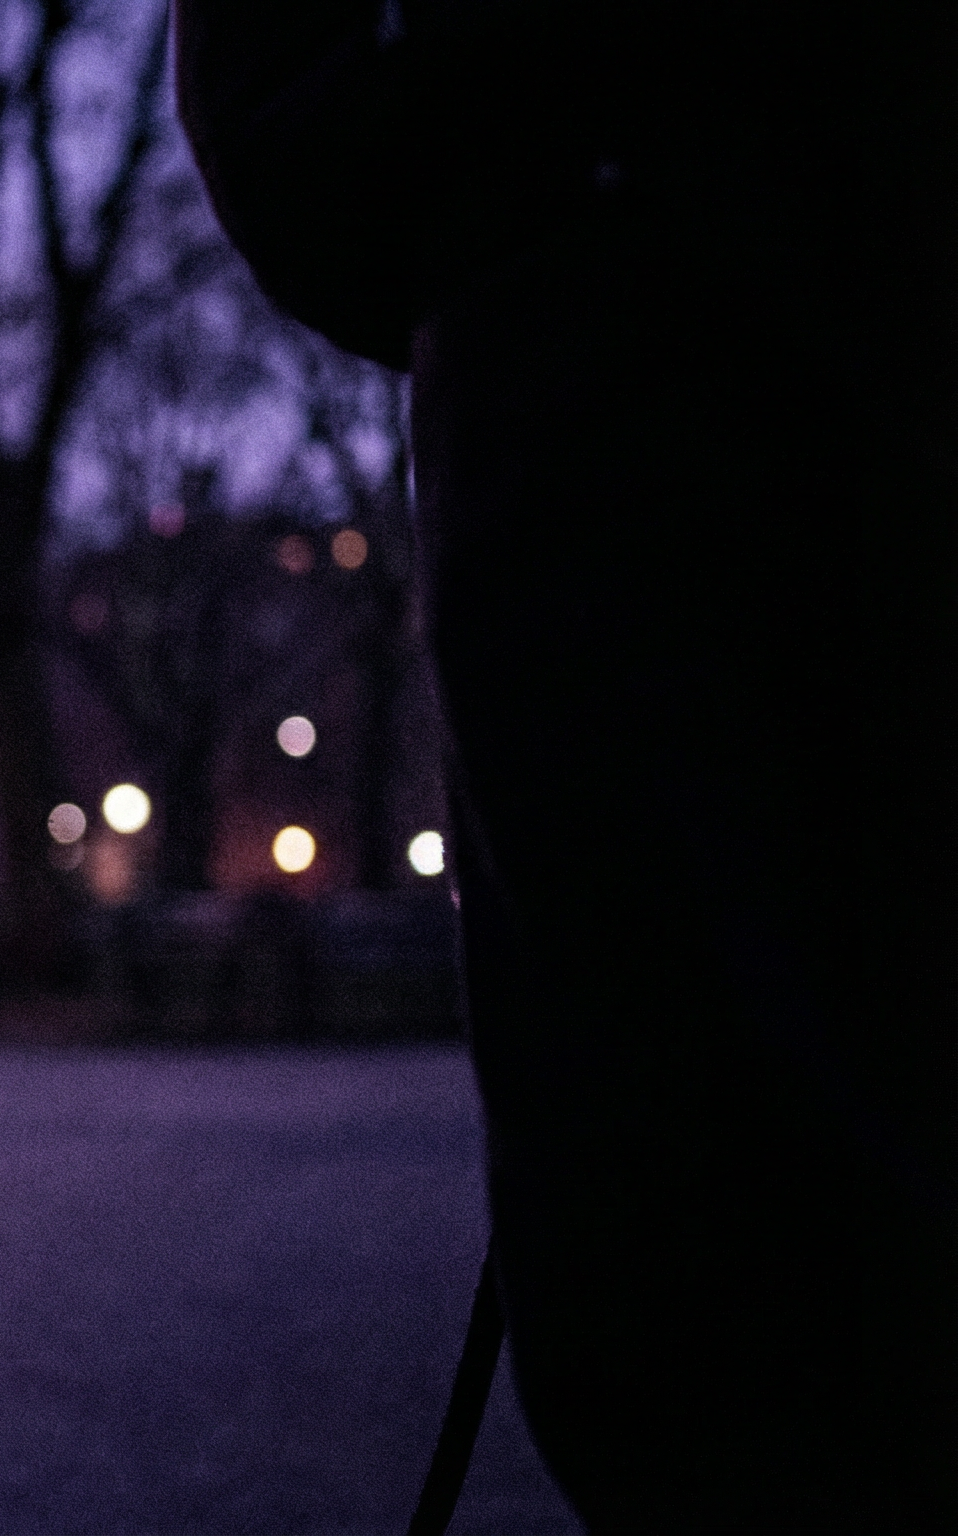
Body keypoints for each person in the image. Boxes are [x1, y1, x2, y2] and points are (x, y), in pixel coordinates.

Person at [174, 5, 957, 1529]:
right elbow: (279, 123)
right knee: (692, 1230)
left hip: (593, 395)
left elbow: (282, 129)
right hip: (596, 433)